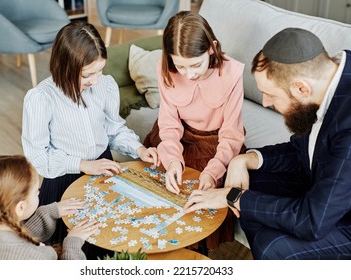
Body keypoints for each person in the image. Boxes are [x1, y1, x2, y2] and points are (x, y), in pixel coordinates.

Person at [184, 28, 351, 259]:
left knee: (273, 247)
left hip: (341, 218)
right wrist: (243, 159)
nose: (264, 102)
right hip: (325, 187)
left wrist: (234, 197)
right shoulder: (330, 79)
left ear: (302, 88)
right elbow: (303, 149)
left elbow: (312, 221)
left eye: (270, 95)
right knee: (248, 181)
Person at [21, 21, 159, 253]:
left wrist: (139, 149)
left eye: (100, 70)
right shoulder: (40, 98)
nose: (96, 80)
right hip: (63, 178)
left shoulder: (105, 86)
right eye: (88, 74)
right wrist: (83, 165)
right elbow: (37, 156)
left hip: (103, 169)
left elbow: (113, 129)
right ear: (65, 66)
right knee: (70, 250)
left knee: (109, 242)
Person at [144, 11, 245, 247]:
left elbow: (231, 134)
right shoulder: (166, 68)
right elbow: (168, 124)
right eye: (181, 66)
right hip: (176, 136)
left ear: (212, 48)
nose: (189, 75)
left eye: (196, 65)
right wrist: (172, 161)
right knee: (159, 186)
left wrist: (213, 171)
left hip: (215, 141)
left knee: (198, 197)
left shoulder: (232, 73)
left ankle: (194, 255)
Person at [0, 155, 98, 260]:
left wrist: (48, 212)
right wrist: (72, 243)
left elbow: (17, 241)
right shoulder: (37, 257)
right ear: (20, 208)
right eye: (37, 191)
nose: (39, 193)